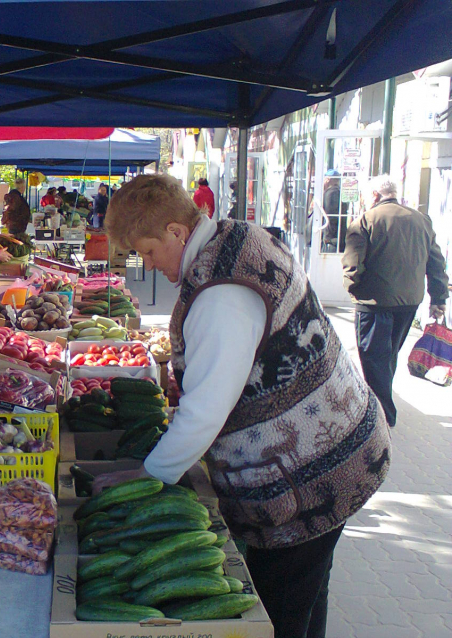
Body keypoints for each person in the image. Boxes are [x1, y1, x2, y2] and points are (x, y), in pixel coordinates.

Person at [99, 174, 391, 638]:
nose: (148, 265)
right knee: (310, 588)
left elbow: (207, 409)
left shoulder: (222, 291)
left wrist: (147, 479)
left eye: (149, 250)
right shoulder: (236, 235)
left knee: (281, 607)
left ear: (176, 231)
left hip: (309, 476)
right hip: (338, 444)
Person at [342, 174, 448, 427]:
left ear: (375, 196)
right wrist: (439, 297)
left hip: (374, 304)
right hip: (409, 303)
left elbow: (352, 267)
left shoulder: (365, 221)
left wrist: (353, 290)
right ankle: (380, 411)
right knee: (388, 357)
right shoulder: (422, 220)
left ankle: (382, 417)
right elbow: (436, 263)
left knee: (373, 358)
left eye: (368, 197)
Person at [322, 170, 347, 252]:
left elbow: (331, 216)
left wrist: (328, 237)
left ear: (328, 179)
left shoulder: (332, 193)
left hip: (332, 238)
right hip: (333, 237)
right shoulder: (334, 192)